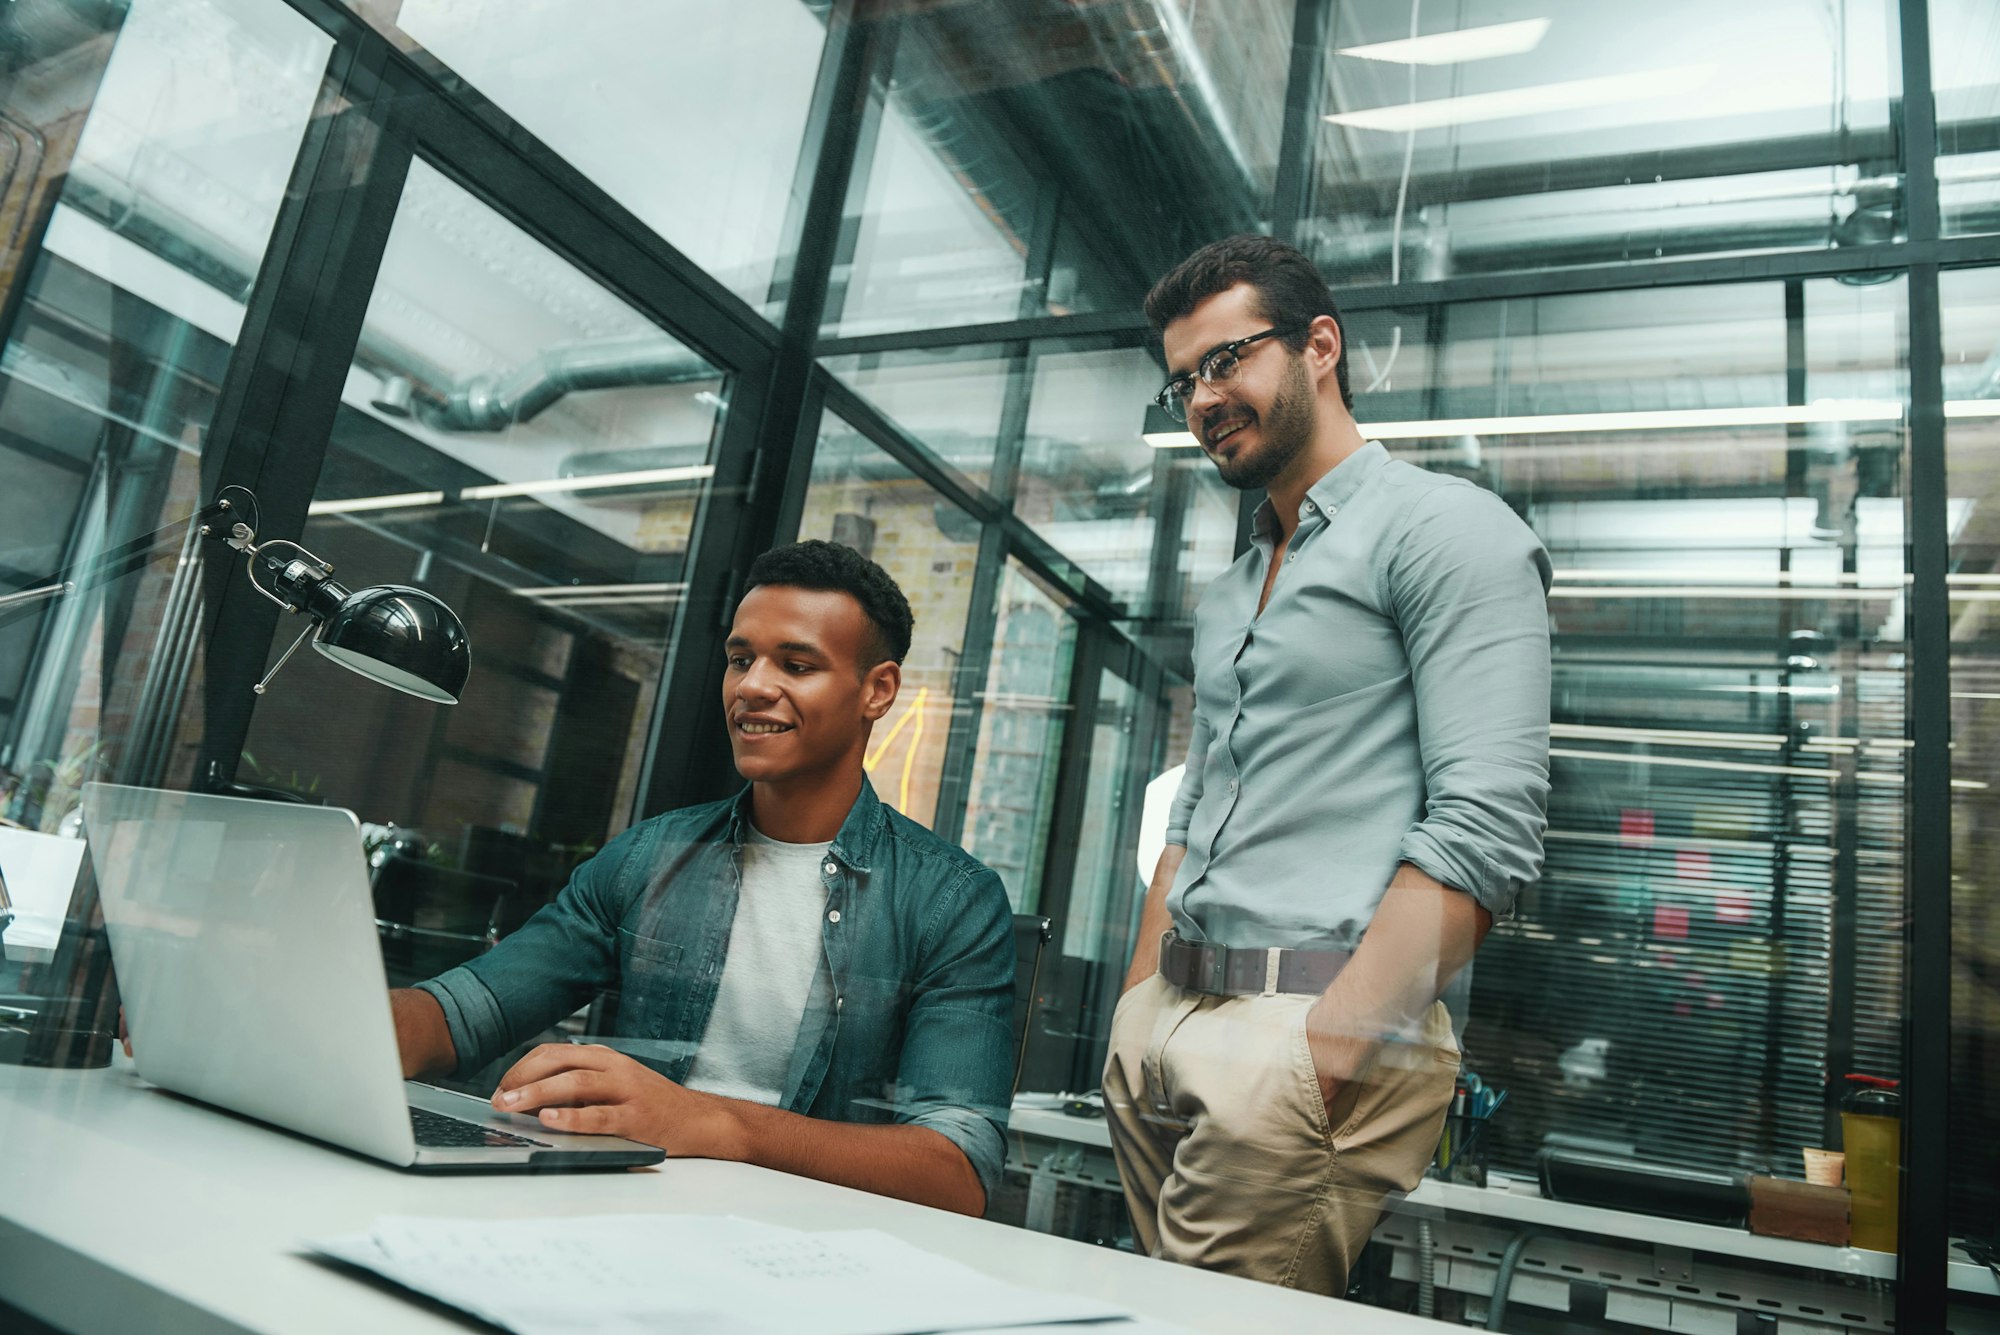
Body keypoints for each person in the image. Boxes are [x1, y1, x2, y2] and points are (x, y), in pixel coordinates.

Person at [1103, 235, 1551, 1292]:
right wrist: (1137, 1006)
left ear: (1318, 346)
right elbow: (1196, 805)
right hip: (1166, 1024)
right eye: (1181, 382)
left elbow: (1485, 827)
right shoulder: (1233, 586)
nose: (1202, 399)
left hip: (1300, 1034)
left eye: (1225, 360)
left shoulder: (1444, 531)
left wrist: (1329, 1051)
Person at [391, 540, 1016, 1216]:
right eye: (741, 658)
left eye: (796, 664)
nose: (752, 684)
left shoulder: (952, 901)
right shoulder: (650, 856)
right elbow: (462, 1013)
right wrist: (324, 1020)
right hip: (625, 1221)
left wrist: (713, 1123)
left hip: (813, 1249)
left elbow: (958, 1171)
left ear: (878, 690)